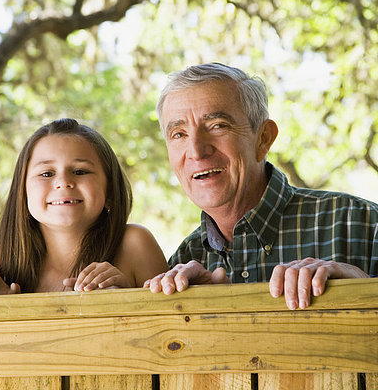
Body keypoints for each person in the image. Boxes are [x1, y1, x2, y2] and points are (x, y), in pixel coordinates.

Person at [145, 62, 378, 309]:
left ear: (263, 138)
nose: (196, 151)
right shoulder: (181, 266)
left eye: (218, 126)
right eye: (179, 134)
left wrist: (363, 288)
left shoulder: (362, 225)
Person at [0, 118, 168, 296]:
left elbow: (172, 332)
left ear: (110, 189)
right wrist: (3, 309)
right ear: (23, 193)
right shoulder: (10, 272)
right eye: (47, 174)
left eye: (80, 171)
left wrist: (127, 299)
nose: (63, 182)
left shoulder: (134, 244)